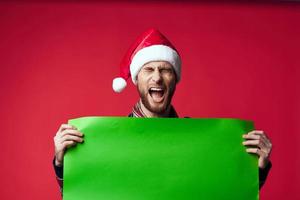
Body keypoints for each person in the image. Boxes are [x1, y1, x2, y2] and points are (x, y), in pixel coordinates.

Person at [53, 28, 272, 193]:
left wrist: (257, 168)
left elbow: (226, 191)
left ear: (175, 79)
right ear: (137, 79)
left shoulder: (201, 141)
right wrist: (63, 163)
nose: (157, 77)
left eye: (165, 69)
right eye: (148, 69)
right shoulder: (103, 141)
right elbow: (87, 192)